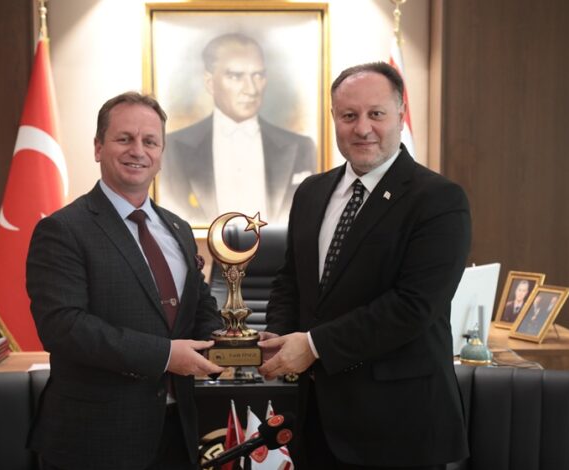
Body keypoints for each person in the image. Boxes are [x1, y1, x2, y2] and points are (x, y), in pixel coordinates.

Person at [257, 62, 471, 469]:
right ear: (334, 118)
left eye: (376, 114)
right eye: (349, 115)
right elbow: (291, 280)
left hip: (398, 425)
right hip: (317, 419)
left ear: (400, 114)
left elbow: (412, 307)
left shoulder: (439, 199)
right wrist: (281, 335)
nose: (362, 128)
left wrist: (313, 346)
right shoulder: (311, 192)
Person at [25, 92, 224, 470]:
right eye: (124, 138)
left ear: (160, 153)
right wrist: (165, 356)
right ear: (98, 147)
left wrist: (231, 343)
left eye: (150, 141)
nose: (138, 150)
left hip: (176, 431)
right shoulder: (63, 229)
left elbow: (200, 307)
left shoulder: (178, 229)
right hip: (95, 439)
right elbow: (63, 327)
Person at [160, 32, 317, 225]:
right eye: (235, 76)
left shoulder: (302, 147)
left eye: (258, 75)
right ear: (210, 83)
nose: (251, 89)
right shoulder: (172, 149)